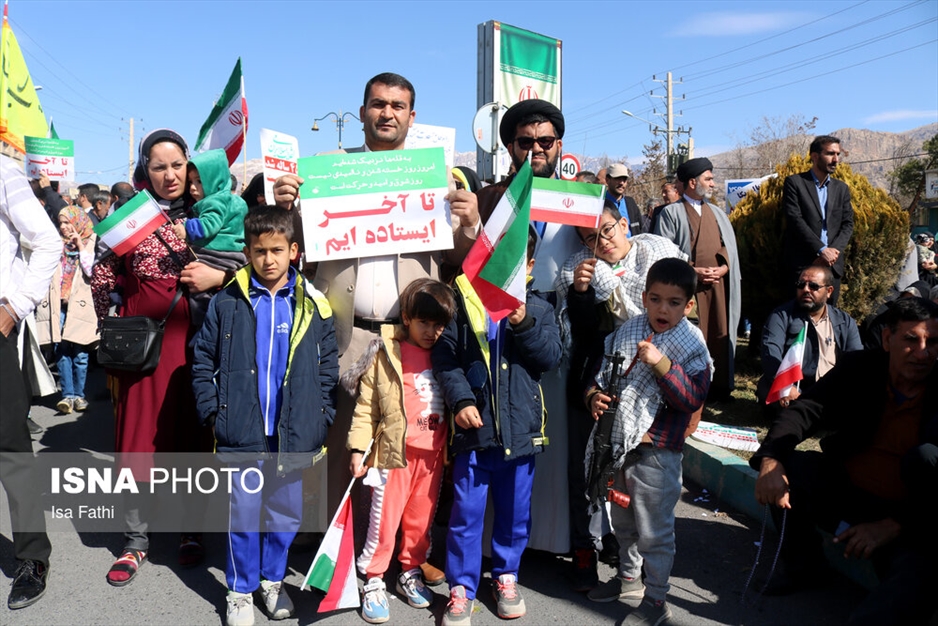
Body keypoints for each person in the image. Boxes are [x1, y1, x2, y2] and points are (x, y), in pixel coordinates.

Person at [272, 72, 480, 525]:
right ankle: (331, 545)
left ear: (412, 116)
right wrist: (287, 207)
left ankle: (394, 553)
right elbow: (300, 246)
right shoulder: (328, 170)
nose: (387, 113)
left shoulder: (437, 177)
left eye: (397, 106)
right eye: (378, 104)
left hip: (408, 339)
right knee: (340, 444)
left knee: (403, 449)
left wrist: (469, 222)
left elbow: (458, 261)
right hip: (344, 335)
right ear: (363, 110)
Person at [191, 205, 338, 626]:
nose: (269, 260)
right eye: (259, 251)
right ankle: (239, 589)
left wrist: (322, 412)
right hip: (243, 431)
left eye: (277, 250)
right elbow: (202, 359)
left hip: (293, 435)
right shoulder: (228, 302)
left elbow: (328, 363)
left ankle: (272, 580)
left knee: (286, 514)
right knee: (243, 515)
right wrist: (213, 412)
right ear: (247, 251)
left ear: (293, 250)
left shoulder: (314, 304)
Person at [752, 297, 938, 625]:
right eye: (911, 339)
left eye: (933, 342)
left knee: (910, 583)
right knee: (792, 469)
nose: (923, 352)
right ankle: (804, 568)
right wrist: (770, 460)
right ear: (887, 339)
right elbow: (806, 409)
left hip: (913, 518)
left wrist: (894, 525)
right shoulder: (862, 368)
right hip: (851, 492)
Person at [92, 128, 223, 585]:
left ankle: (191, 530)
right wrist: (116, 325)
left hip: (199, 347)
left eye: (177, 165)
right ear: (144, 170)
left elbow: (251, 264)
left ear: (189, 164)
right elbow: (101, 273)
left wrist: (217, 278)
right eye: (158, 166)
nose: (169, 175)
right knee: (137, 442)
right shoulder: (129, 216)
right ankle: (135, 540)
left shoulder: (213, 210)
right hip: (143, 349)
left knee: (192, 437)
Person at [433, 228, 562, 626]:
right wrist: (462, 401)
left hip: (521, 436)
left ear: (529, 267)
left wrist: (523, 323)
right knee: (466, 516)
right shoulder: (462, 303)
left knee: (513, 515)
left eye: (512, 261)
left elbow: (550, 357)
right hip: (475, 436)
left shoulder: (539, 307)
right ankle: (462, 588)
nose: (501, 269)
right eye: (494, 260)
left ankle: (506, 576)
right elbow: (446, 359)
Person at [556, 202, 685, 590]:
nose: (602, 243)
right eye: (590, 240)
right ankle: (584, 551)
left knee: (640, 481)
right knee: (587, 473)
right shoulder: (578, 269)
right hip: (597, 383)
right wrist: (581, 294)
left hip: (652, 389)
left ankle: (642, 569)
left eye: (607, 231)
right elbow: (578, 335)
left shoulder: (656, 255)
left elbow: (679, 319)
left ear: (623, 223)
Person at [585, 258, 712, 626]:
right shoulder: (627, 332)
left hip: (657, 453)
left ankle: (656, 600)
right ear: (643, 297)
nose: (662, 309)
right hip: (619, 447)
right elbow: (600, 374)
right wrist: (593, 396)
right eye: (655, 299)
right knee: (623, 522)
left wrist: (662, 365)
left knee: (655, 533)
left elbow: (691, 399)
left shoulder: (691, 344)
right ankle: (629, 581)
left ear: (689, 305)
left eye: (674, 302)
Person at [341, 278, 456, 624]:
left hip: (433, 457)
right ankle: (374, 579)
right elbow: (366, 407)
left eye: (438, 326)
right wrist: (358, 448)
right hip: (394, 456)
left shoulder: (445, 354)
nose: (431, 332)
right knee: (383, 521)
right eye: (424, 323)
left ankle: (410, 570)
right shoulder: (386, 351)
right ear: (406, 317)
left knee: (421, 520)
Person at [0, 154, 60, 610]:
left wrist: (13, 307)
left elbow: (47, 241)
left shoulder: (4, 171)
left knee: (11, 449)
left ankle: (31, 557)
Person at [655, 157, 741, 401]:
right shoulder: (671, 213)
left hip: (718, 286)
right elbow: (665, 252)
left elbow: (729, 247)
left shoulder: (717, 213)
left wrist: (724, 268)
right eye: (708, 179)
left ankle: (720, 387)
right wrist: (693, 270)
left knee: (719, 331)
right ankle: (688, 387)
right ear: (692, 182)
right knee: (693, 336)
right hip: (687, 287)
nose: (713, 184)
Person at [757, 265, 862, 411]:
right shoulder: (781, 315)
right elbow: (770, 354)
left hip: (830, 389)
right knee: (771, 392)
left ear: (829, 291)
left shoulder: (845, 322)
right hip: (793, 387)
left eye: (813, 286)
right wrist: (786, 387)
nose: (806, 289)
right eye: (801, 285)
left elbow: (856, 362)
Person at [172, 148, 248, 326]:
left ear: (214, 180)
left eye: (199, 181)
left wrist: (186, 228)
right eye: (190, 181)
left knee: (200, 297)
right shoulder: (234, 200)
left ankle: (203, 330)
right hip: (235, 256)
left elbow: (210, 224)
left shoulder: (214, 201)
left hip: (216, 256)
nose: (192, 188)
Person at [35, 206, 99, 414]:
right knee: (61, 350)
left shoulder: (92, 242)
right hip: (58, 306)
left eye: (67, 222)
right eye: (60, 223)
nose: (63, 227)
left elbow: (91, 273)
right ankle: (67, 396)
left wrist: (80, 246)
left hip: (79, 306)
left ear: (78, 222)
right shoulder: (55, 245)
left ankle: (80, 396)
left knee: (80, 352)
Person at [782, 135, 854, 305]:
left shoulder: (841, 188)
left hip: (832, 265)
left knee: (828, 316)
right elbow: (795, 219)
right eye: (830, 154)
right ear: (815, 156)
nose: (836, 159)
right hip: (804, 263)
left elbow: (847, 223)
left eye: (837, 154)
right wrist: (821, 249)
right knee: (799, 317)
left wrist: (833, 251)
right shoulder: (795, 183)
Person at [604, 163, 643, 236]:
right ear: (607, 180)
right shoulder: (600, 203)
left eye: (624, 179)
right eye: (618, 179)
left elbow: (639, 229)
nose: (622, 183)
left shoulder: (630, 203)